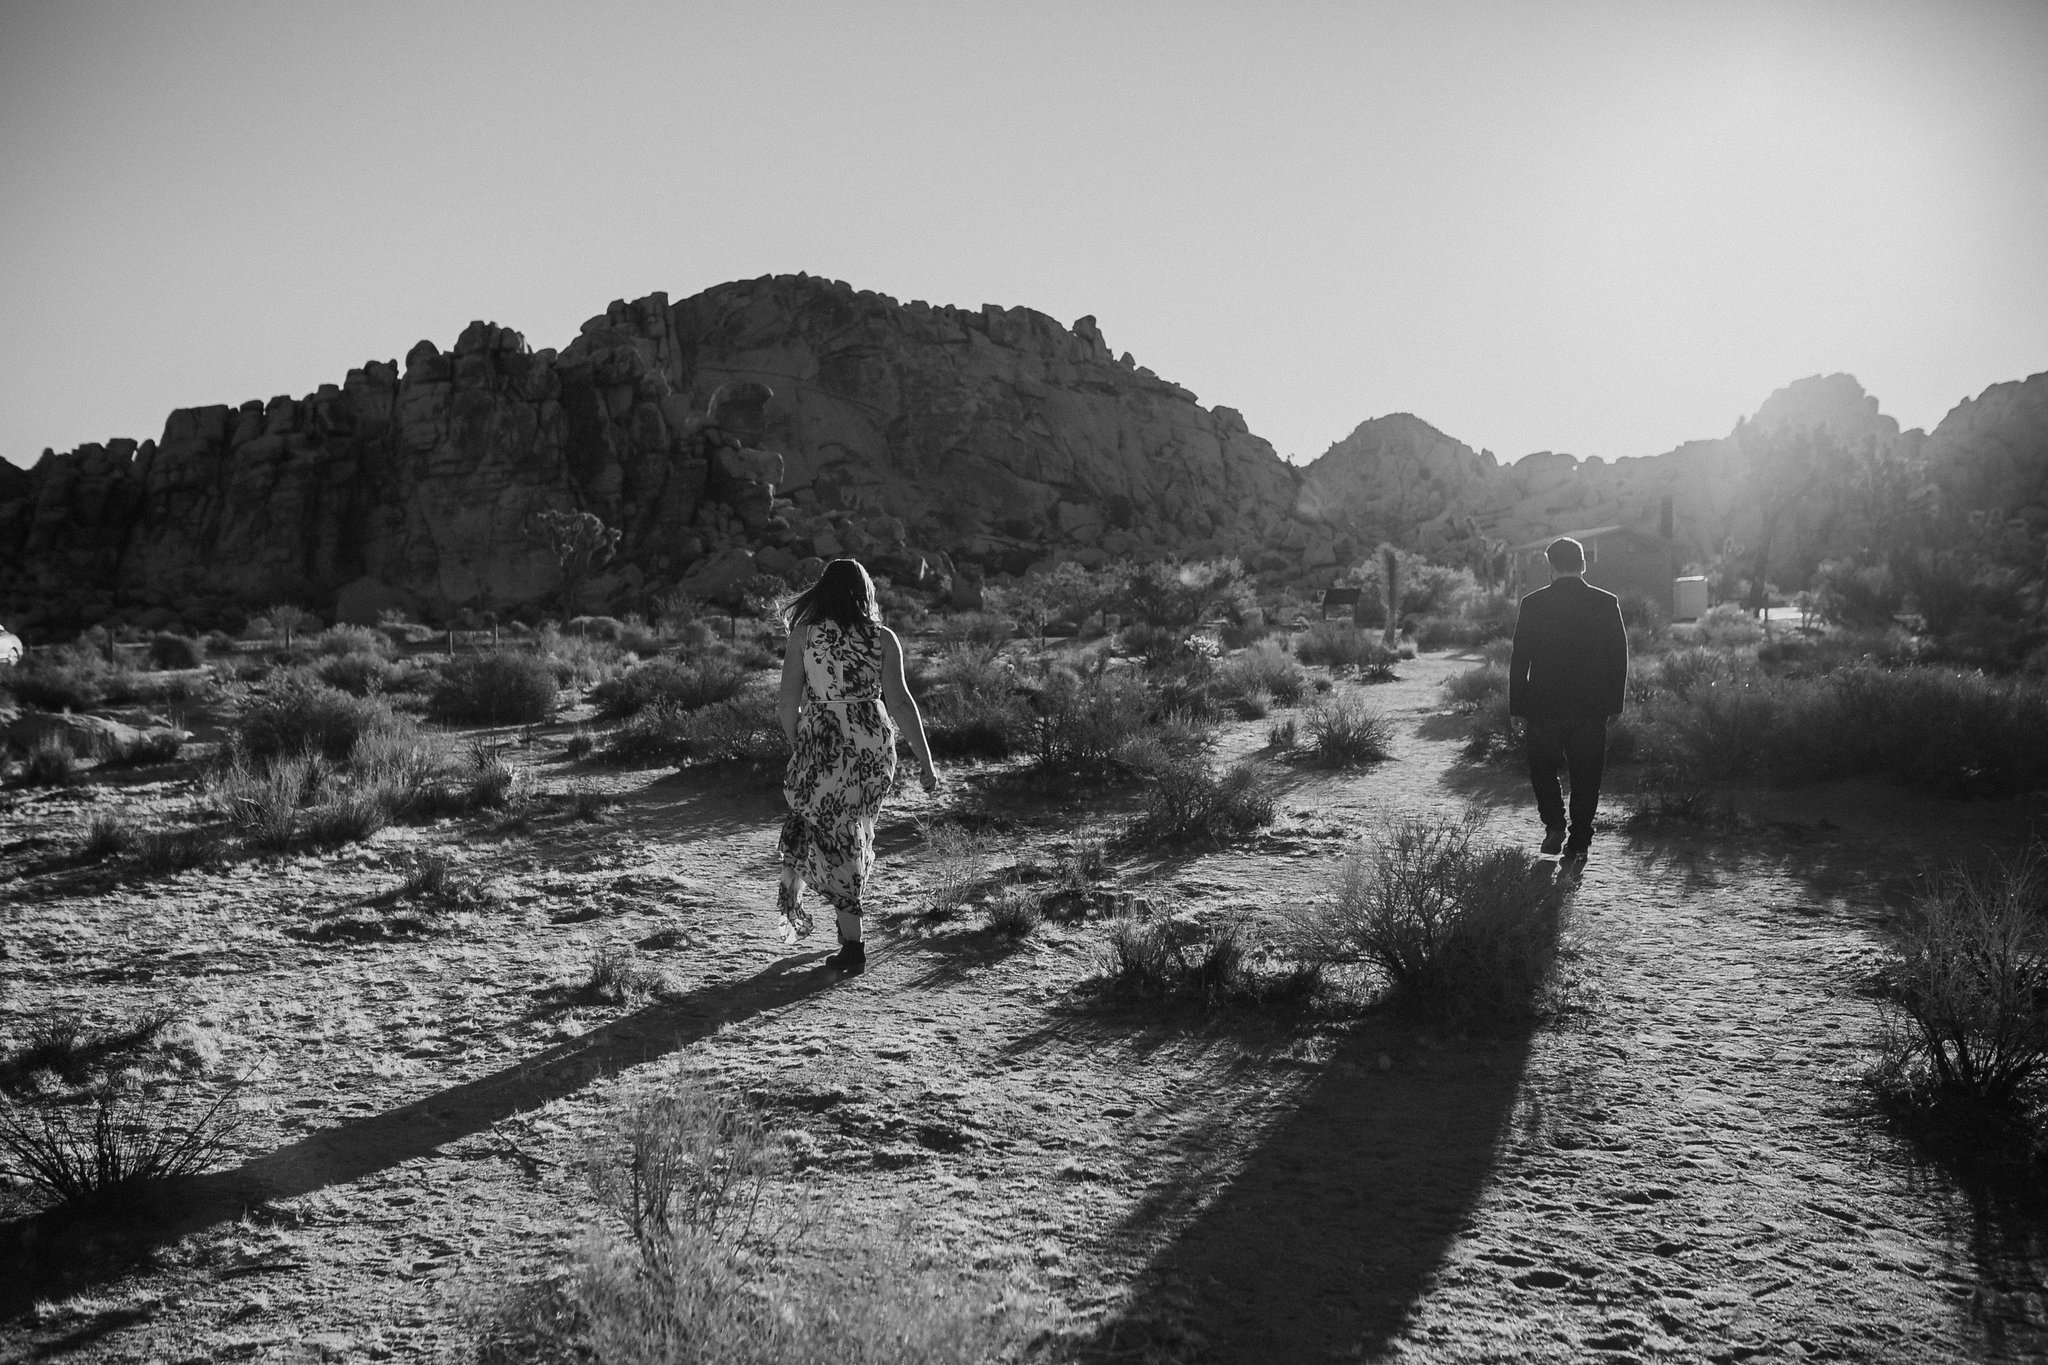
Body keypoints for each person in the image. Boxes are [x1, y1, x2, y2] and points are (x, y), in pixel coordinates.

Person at [777, 558, 939, 973]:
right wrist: (926, 762)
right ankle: (848, 929)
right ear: (865, 592)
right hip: (871, 747)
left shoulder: (804, 636)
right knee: (850, 831)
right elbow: (900, 702)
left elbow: (787, 703)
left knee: (828, 831)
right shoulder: (881, 638)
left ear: (823, 591)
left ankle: (852, 943)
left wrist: (803, 746)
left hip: (822, 743)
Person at [1508, 537, 1628, 865]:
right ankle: (1578, 842)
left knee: (1542, 769)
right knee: (1587, 774)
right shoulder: (1605, 602)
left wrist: (1517, 706)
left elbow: (1520, 659)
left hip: (1543, 704)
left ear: (1551, 567)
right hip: (1591, 706)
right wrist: (1615, 702)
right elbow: (1619, 656)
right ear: (1583, 564)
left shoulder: (1532, 604)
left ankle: (1554, 824)